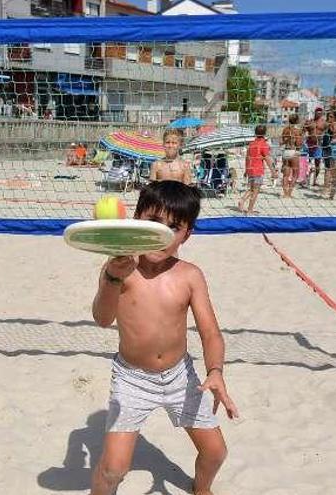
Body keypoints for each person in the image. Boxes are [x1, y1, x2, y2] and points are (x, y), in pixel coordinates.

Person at [90, 181, 238, 495]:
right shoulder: (121, 268)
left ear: (188, 234)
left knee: (215, 452)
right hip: (132, 379)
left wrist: (215, 372)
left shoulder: (190, 275)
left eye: (173, 226)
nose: (161, 233)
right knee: (113, 469)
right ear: (136, 219)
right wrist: (112, 277)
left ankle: (201, 489)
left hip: (180, 377)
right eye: (153, 222)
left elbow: (210, 332)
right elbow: (102, 320)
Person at [238, 125, 277, 214]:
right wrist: (273, 171)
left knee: (252, 188)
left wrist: (246, 170)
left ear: (255, 133)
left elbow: (247, 158)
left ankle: (242, 200)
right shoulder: (264, 145)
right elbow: (268, 159)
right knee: (256, 191)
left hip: (250, 169)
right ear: (265, 133)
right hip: (258, 170)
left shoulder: (251, 144)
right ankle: (250, 209)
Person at [279, 114, 302, 199]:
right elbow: (298, 144)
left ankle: (285, 194)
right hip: (293, 151)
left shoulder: (285, 129)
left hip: (285, 152)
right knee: (295, 175)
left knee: (285, 175)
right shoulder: (297, 131)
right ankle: (289, 193)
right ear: (297, 121)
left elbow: (281, 141)